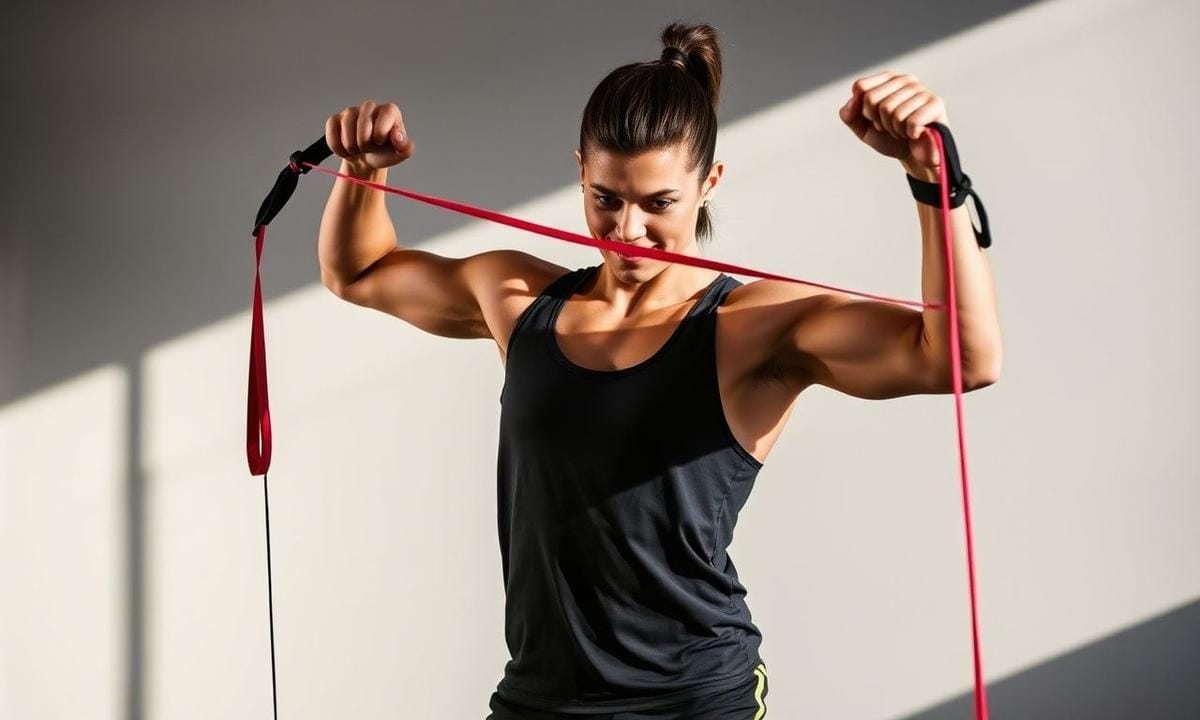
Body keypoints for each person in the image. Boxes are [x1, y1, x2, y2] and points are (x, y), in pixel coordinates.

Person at [317, 19, 1001, 720]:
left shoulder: (752, 328)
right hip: (541, 701)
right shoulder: (520, 300)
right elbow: (360, 271)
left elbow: (960, 358)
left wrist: (930, 180)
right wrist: (365, 171)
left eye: (659, 203)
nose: (628, 231)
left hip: (694, 702)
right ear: (581, 168)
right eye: (606, 198)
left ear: (709, 183)